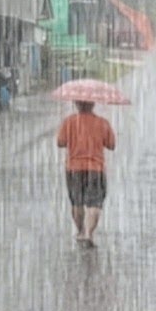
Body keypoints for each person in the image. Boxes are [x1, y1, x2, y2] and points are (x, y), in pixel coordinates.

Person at [56, 101, 116, 245]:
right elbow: (111, 145)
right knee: (94, 203)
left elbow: (60, 142)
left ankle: (81, 231)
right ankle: (89, 233)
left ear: (76, 104)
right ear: (93, 104)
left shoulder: (69, 122)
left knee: (77, 202)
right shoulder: (102, 123)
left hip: (74, 168)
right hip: (95, 168)